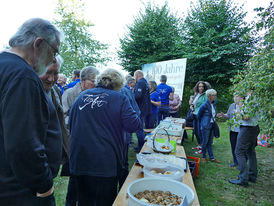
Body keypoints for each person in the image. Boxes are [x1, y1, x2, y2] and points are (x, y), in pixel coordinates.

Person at [0, 18, 62, 206]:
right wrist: (44, 186)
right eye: (54, 51)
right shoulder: (23, 76)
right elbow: (23, 144)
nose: (53, 59)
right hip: (21, 191)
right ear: (39, 44)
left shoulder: (5, 66)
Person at [69, 69, 142, 206]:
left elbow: (71, 124)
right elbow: (133, 125)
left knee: (84, 201)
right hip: (105, 162)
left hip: (80, 160)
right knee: (105, 201)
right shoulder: (120, 98)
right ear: (118, 84)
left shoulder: (82, 96)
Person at [229, 91, 260, 187]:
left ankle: (243, 179)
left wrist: (237, 113)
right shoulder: (257, 98)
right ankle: (252, 176)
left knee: (239, 152)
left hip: (247, 128)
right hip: (255, 127)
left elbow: (246, 117)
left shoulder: (249, 99)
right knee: (250, 152)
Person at [120, 76, 141, 188]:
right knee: (124, 159)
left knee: (123, 160)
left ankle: (124, 185)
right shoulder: (125, 91)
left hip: (123, 130)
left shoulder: (122, 92)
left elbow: (132, 110)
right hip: (124, 130)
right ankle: (124, 184)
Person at [217, 95, 243, 167]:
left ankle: (241, 163)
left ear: (242, 98)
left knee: (240, 147)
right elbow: (228, 115)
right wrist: (223, 115)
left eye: (237, 96)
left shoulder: (244, 106)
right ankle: (235, 161)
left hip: (241, 130)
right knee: (233, 146)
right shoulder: (232, 105)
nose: (235, 98)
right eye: (234, 96)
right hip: (233, 129)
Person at [197, 89, 220, 163]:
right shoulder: (204, 105)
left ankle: (212, 158)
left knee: (210, 142)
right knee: (205, 142)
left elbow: (213, 114)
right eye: (214, 95)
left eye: (215, 95)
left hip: (212, 125)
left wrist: (217, 115)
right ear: (209, 96)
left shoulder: (214, 103)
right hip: (205, 126)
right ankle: (204, 156)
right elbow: (199, 116)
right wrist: (204, 123)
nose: (215, 97)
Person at [134, 70, 151, 152]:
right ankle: (140, 145)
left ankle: (141, 147)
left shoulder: (140, 83)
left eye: (134, 77)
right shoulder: (146, 82)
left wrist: (131, 95)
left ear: (137, 75)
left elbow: (138, 96)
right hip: (145, 108)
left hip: (140, 109)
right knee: (140, 128)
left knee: (139, 128)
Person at [190, 81, 209, 153]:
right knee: (195, 131)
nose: (201, 88)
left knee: (200, 131)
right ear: (197, 87)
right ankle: (199, 145)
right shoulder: (197, 94)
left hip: (201, 115)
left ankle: (203, 148)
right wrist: (191, 106)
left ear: (204, 87)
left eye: (202, 86)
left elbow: (206, 105)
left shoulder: (205, 95)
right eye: (199, 86)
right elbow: (193, 103)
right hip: (194, 114)